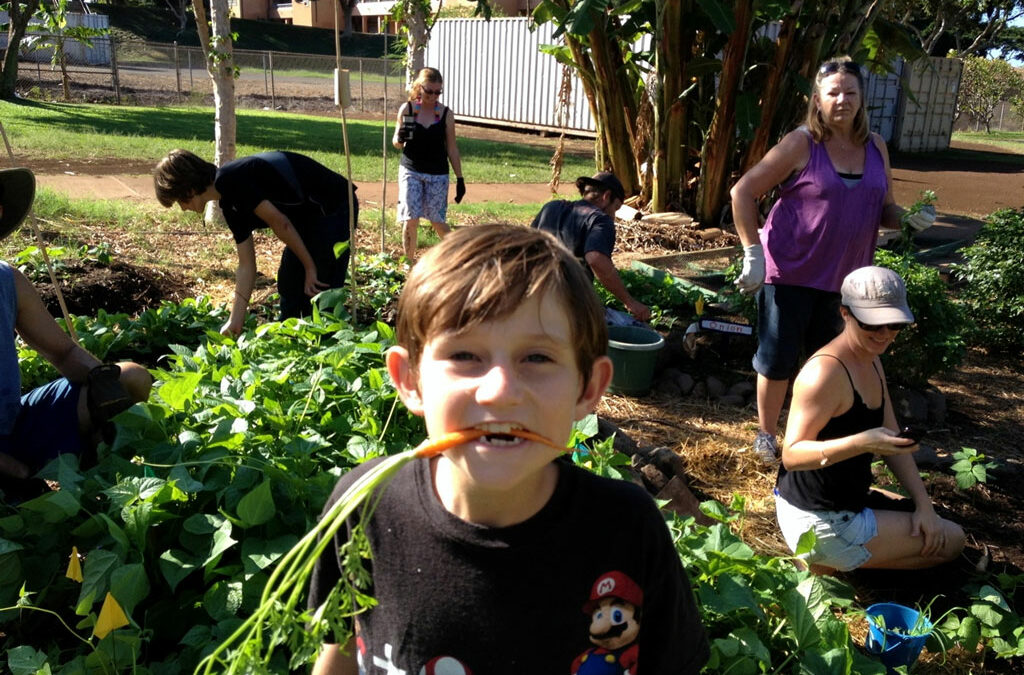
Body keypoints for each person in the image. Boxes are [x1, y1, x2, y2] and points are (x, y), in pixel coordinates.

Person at [308, 225, 708, 674]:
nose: (500, 392)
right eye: (464, 356)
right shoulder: (363, 504)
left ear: (587, 388)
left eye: (536, 358)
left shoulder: (628, 529)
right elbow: (338, 652)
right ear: (410, 381)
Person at [729, 56, 935, 464]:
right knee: (778, 358)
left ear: (862, 99)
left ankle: (811, 435)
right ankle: (768, 435)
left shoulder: (875, 147)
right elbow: (742, 192)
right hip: (790, 271)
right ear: (818, 99)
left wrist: (909, 219)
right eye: (833, 92)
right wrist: (753, 252)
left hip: (847, 280)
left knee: (832, 360)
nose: (842, 99)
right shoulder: (802, 143)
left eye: (851, 92)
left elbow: (885, 208)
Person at [774, 266, 964, 572]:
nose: (884, 334)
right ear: (845, 314)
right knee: (953, 539)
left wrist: (924, 505)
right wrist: (860, 443)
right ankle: (827, 559)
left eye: (894, 324)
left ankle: (835, 561)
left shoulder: (871, 358)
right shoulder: (824, 374)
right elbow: (792, 455)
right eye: (872, 324)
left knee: (926, 516)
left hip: (844, 500)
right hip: (818, 519)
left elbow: (891, 436)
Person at [0, 167, 152, 496]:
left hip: (14, 424)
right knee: (18, 476)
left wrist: (102, 384)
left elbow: (63, 352)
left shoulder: (7, 281)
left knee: (132, 379)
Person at [153, 149, 359, 336]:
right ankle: (291, 343)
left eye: (179, 201)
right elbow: (246, 265)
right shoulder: (230, 205)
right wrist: (235, 320)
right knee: (289, 284)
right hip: (306, 218)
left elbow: (281, 224)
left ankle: (327, 343)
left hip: (333, 206)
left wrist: (310, 267)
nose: (182, 208)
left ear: (188, 189)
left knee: (319, 288)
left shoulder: (231, 179)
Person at [531, 171, 651, 322]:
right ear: (606, 196)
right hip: (568, 302)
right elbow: (595, 258)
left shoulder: (551, 207)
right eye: (616, 208)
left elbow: (528, 244)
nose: (614, 215)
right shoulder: (600, 220)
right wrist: (630, 302)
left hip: (533, 295)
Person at [392, 67, 464, 260]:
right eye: (429, 91)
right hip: (411, 169)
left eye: (438, 92)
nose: (433, 96)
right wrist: (401, 137)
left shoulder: (445, 114)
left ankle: (459, 258)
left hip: (437, 173)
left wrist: (460, 179)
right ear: (419, 87)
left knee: (437, 221)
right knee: (410, 218)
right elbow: (397, 143)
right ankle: (409, 263)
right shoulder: (408, 109)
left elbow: (452, 149)